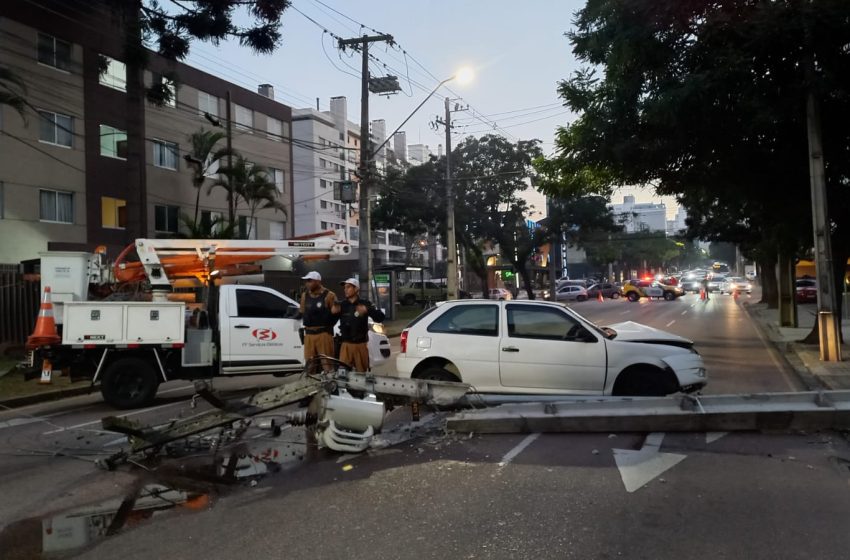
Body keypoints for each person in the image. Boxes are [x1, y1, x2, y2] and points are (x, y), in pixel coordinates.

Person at [333, 277, 385, 372]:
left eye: (348, 287)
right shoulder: (342, 305)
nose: (345, 290)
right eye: (345, 288)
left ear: (356, 289)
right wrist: (332, 313)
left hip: (360, 345)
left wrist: (367, 310)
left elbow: (380, 317)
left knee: (361, 374)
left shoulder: (365, 303)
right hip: (346, 345)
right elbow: (331, 322)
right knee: (343, 374)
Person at [299, 271, 337, 373]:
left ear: (318, 281)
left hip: (323, 334)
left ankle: (330, 385)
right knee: (310, 364)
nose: (307, 283)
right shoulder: (304, 296)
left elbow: (336, 313)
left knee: (327, 364)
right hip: (309, 334)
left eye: (310, 281)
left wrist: (329, 325)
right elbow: (302, 311)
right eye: (306, 281)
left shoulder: (329, 295)